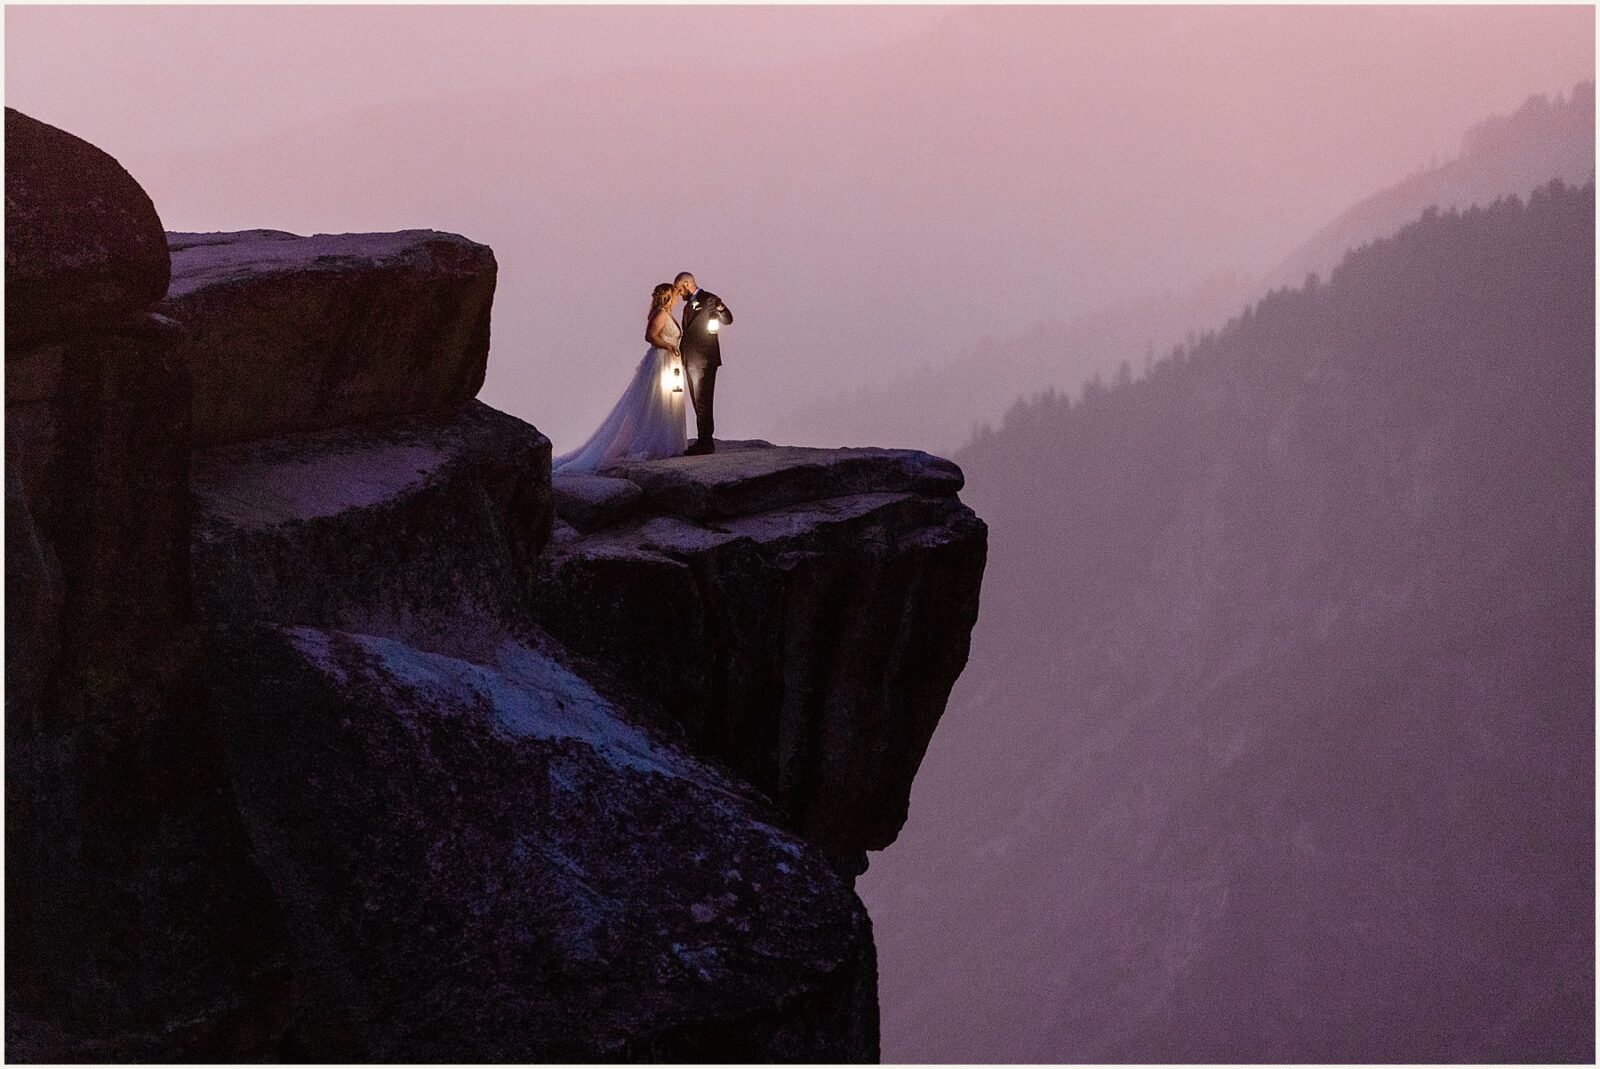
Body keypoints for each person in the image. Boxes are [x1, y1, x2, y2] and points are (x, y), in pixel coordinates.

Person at [550, 282, 687, 474]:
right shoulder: (661, 314)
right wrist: (669, 346)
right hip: (661, 361)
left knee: (669, 399)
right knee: (657, 400)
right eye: (675, 295)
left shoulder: (667, 314)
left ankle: (666, 440)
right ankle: (654, 442)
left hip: (670, 362)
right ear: (668, 296)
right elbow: (650, 336)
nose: (678, 298)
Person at [673, 271, 733, 455]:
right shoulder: (687, 306)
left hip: (704, 359)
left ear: (687, 284)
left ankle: (706, 442)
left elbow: (728, 319)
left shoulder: (709, 299)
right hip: (690, 360)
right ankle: (703, 438)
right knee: (697, 401)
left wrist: (721, 308)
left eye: (679, 289)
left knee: (704, 401)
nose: (678, 293)